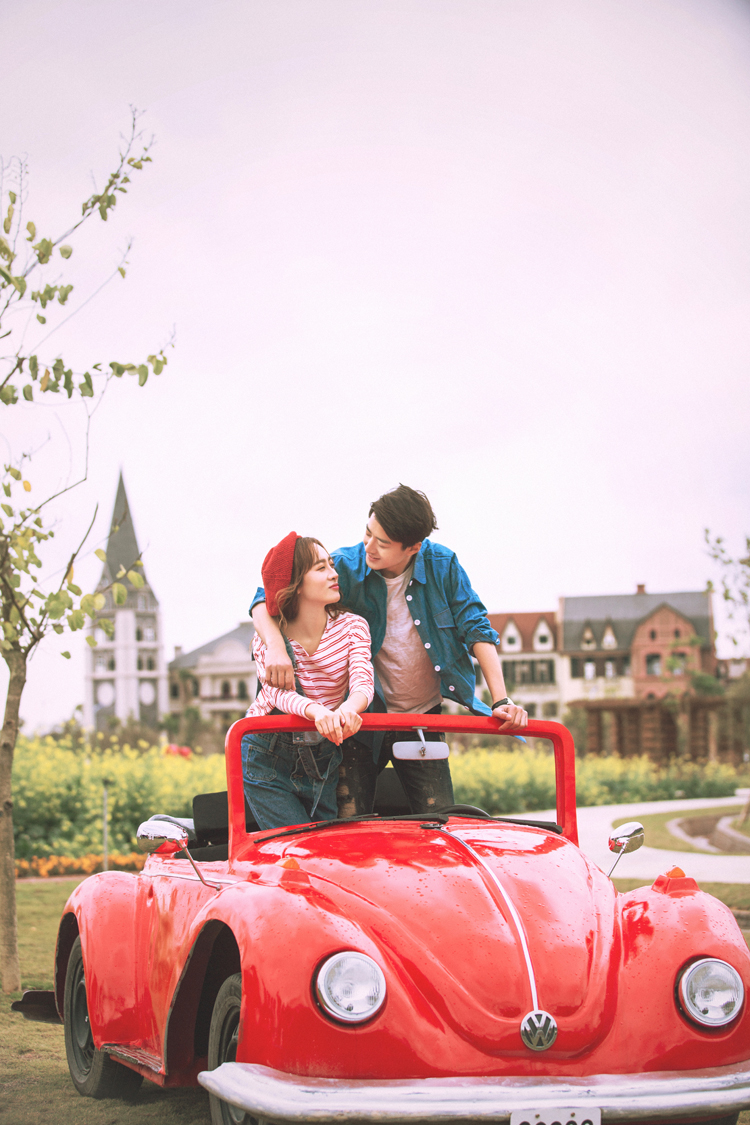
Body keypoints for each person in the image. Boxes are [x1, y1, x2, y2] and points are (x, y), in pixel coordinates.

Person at [251, 486, 528, 816]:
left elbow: (476, 627)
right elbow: (267, 594)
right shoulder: (346, 565)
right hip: (362, 718)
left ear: (413, 547)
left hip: (421, 716)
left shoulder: (442, 565)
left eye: (382, 543)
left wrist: (501, 700)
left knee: (438, 818)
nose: (369, 546)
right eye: (367, 533)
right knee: (350, 820)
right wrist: (276, 647)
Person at [242, 532, 374, 829]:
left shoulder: (353, 627)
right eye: (321, 568)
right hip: (267, 754)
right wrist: (319, 712)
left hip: (322, 753)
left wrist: (348, 709)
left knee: (321, 847)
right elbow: (276, 694)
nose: (334, 574)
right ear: (296, 584)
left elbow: (363, 680)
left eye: (331, 565)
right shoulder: (270, 638)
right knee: (295, 847)